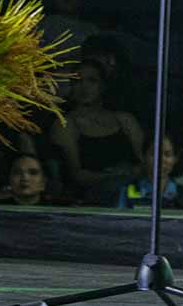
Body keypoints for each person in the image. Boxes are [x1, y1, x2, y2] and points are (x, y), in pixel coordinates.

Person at [48, 57, 143, 204]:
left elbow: (147, 163)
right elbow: (75, 175)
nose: (84, 87)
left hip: (133, 197)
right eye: (78, 81)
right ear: (71, 86)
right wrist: (111, 176)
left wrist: (131, 172)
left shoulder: (125, 120)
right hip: (88, 201)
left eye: (92, 81)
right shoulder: (64, 124)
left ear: (103, 85)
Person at [118, 134, 183, 210]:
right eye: (154, 153)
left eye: (167, 155)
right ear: (143, 157)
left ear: (175, 159)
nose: (160, 160)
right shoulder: (130, 190)